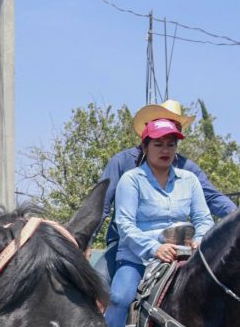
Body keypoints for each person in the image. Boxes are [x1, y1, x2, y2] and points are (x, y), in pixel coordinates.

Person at [101, 117, 214, 327]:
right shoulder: (132, 180)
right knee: (119, 297)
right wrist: (154, 248)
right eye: (159, 143)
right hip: (139, 256)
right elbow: (125, 225)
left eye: (171, 144)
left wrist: (200, 239)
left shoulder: (188, 180)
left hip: (185, 254)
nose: (165, 149)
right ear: (145, 146)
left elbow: (204, 218)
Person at [99, 100, 235, 280]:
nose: (166, 148)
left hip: (180, 246)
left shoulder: (188, 170)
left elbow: (213, 199)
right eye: (159, 141)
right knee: (102, 291)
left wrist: (236, 217)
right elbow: (101, 206)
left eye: (175, 130)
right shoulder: (123, 162)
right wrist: (82, 241)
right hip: (128, 243)